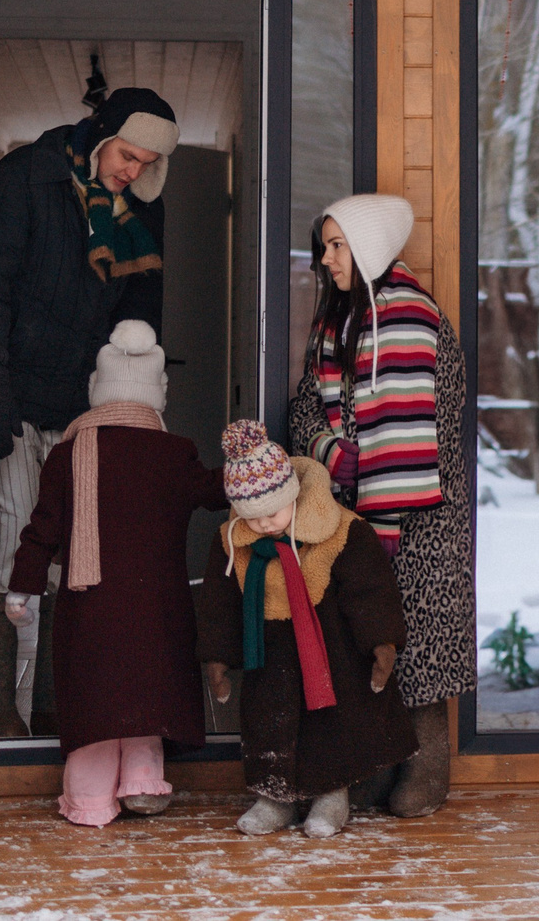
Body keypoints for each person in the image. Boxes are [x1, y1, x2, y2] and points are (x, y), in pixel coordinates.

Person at [0, 85, 180, 739]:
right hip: (13, 399)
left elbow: (136, 324)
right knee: (8, 542)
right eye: (127, 153)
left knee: (71, 558)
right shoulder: (25, 179)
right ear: (101, 131)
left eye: (146, 162)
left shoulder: (137, 212)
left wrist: (126, 413)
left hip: (78, 409)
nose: (132, 169)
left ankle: (60, 712)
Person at [287, 193, 471, 818]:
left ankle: (427, 767)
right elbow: (307, 405)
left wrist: (340, 461)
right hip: (358, 509)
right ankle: (372, 764)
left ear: (367, 248)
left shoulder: (405, 317)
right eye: (325, 244)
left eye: (337, 245)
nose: (326, 257)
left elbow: (398, 435)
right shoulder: (342, 319)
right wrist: (333, 454)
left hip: (419, 512)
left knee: (414, 641)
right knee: (365, 639)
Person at [6, 322, 224, 825]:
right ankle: (144, 785)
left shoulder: (67, 455)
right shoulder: (174, 453)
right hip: (158, 604)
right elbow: (214, 491)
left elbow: (42, 530)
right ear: (157, 396)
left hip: (91, 605)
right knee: (149, 689)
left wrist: (24, 587)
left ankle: (88, 799)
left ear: (96, 391)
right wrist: (257, 470)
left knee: (94, 699)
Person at [199, 420, 413, 837]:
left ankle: (331, 795)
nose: (263, 526)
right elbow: (219, 601)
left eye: (272, 513)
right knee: (268, 719)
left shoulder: (342, 530)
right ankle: (274, 796)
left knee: (330, 721)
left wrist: (381, 642)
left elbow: (369, 589)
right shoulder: (230, 541)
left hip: (328, 645)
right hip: (269, 648)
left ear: (292, 495)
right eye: (252, 517)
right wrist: (219, 655)